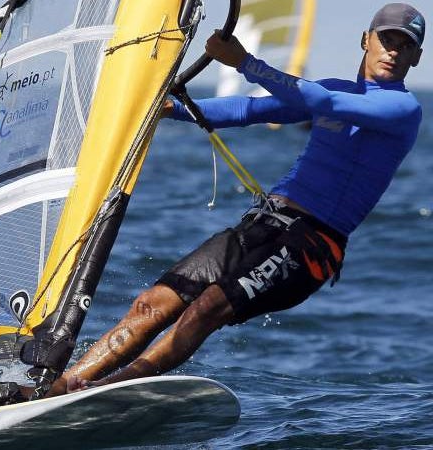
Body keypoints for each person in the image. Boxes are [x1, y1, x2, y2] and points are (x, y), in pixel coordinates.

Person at [45, 3, 425, 396]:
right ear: (366, 40)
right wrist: (172, 109)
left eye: (405, 45)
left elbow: (323, 105)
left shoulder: (401, 108)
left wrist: (245, 62)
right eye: (386, 39)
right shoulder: (332, 89)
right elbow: (249, 108)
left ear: (416, 57)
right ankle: (57, 388)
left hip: (310, 244)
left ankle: (105, 390)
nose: (393, 50)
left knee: (207, 307)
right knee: (152, 303)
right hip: (263, 223)